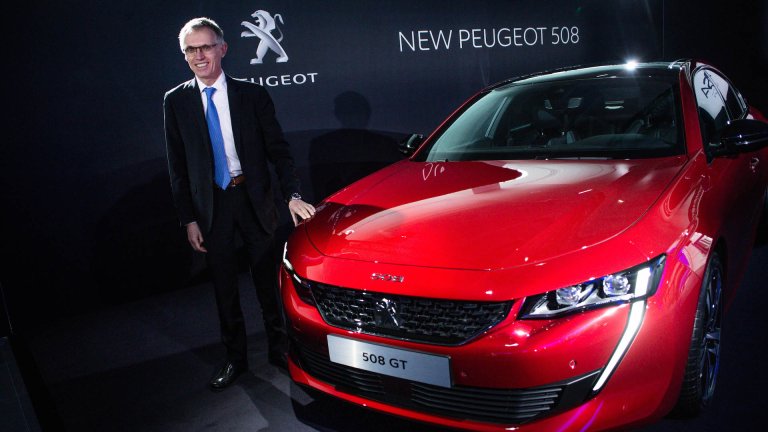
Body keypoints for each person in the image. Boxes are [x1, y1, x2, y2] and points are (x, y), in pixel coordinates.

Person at [163, 17, 315, 391]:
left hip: (253, 200)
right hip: (211, 207)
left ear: (222, 49)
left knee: (266, 283)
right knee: (224, 289)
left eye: (205, 47)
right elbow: (177, 167)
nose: (199, 55)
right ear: (185, 55)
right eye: (191, 49)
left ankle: (279, 349)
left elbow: (279, 152)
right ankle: (235, 358)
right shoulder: (176, 101)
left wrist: (292, 195)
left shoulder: (252, 95)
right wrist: (188, 219)